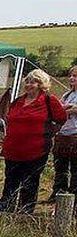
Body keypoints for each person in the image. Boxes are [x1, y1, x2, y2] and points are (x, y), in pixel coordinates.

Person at [0, 69, 67, 214]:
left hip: (36, 150)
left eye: (33, 82)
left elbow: (61, 119)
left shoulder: (49, 100)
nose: (29, 84)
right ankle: (4, 213)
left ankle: (25, 214)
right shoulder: (18, 101)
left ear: (41, 84)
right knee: (10, 182)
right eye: (27, 81)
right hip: (13, 150)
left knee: (30, 183)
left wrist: (49, 132)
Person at [50, 65, 77, 200]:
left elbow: (68, 110)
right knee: (60, 168)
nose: (72, 78)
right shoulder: (67, 94)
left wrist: (64, 110)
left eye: (75, 76)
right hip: (63, 135)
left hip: (75, 135)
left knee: (75, 170)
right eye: (71, 75)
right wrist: (66, 109)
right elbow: (58, 109)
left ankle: (73, 195)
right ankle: (58, 192)